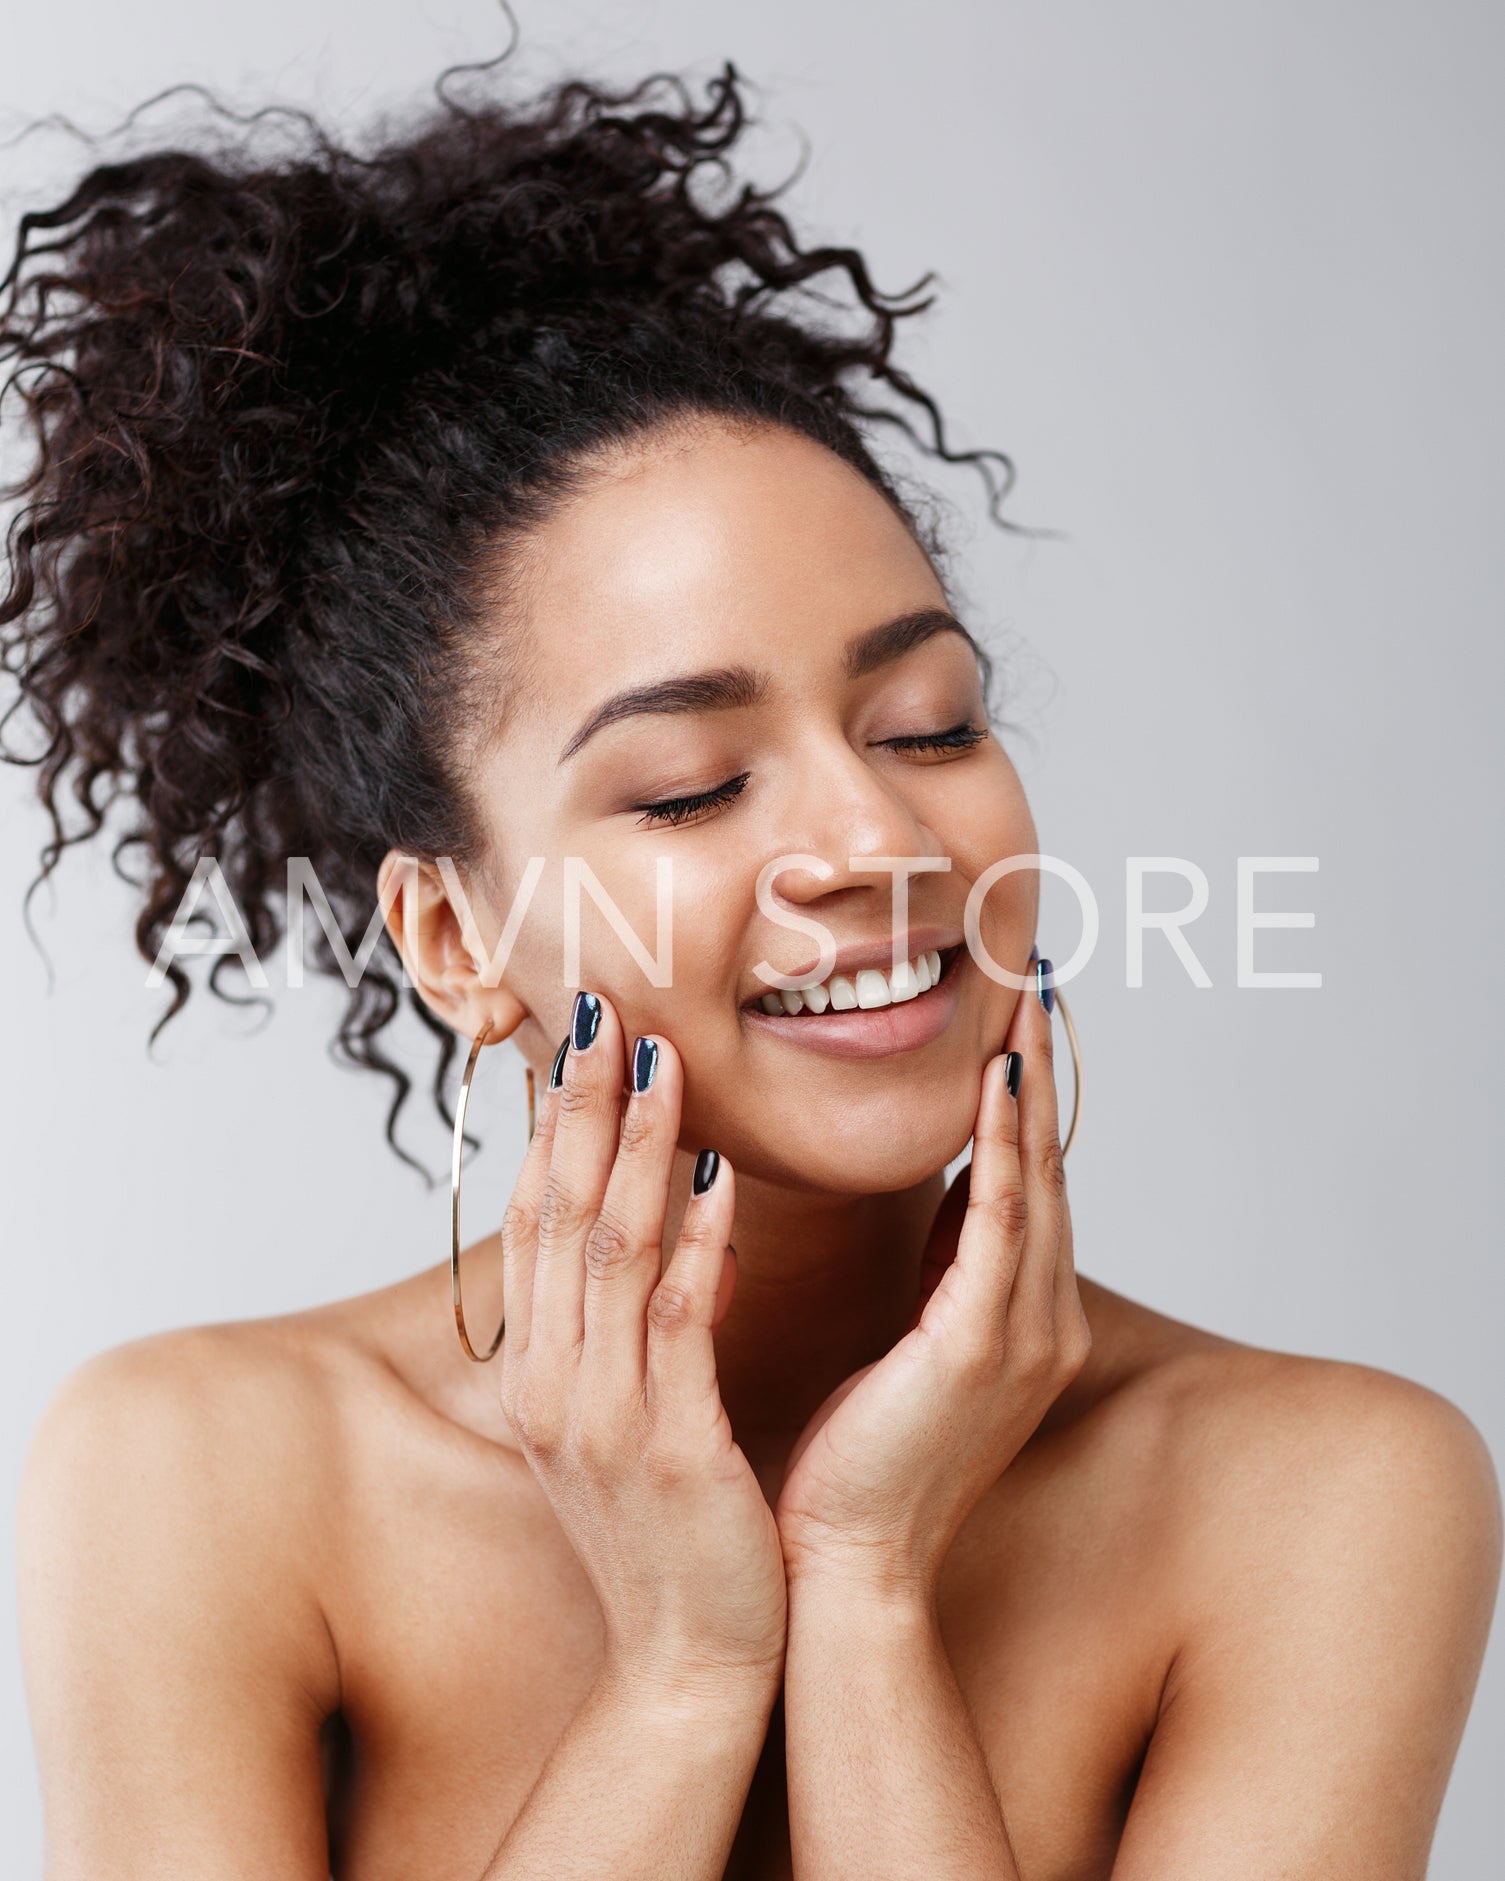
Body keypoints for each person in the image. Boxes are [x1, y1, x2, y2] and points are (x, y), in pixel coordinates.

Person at [4, 62, 1498, 1881]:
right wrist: (688, 1668)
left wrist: (862, 1587)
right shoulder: (201, 1478)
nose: (875, 844)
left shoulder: (1326, 1496)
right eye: (693, 783)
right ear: (458, 941)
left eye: (930, 725)